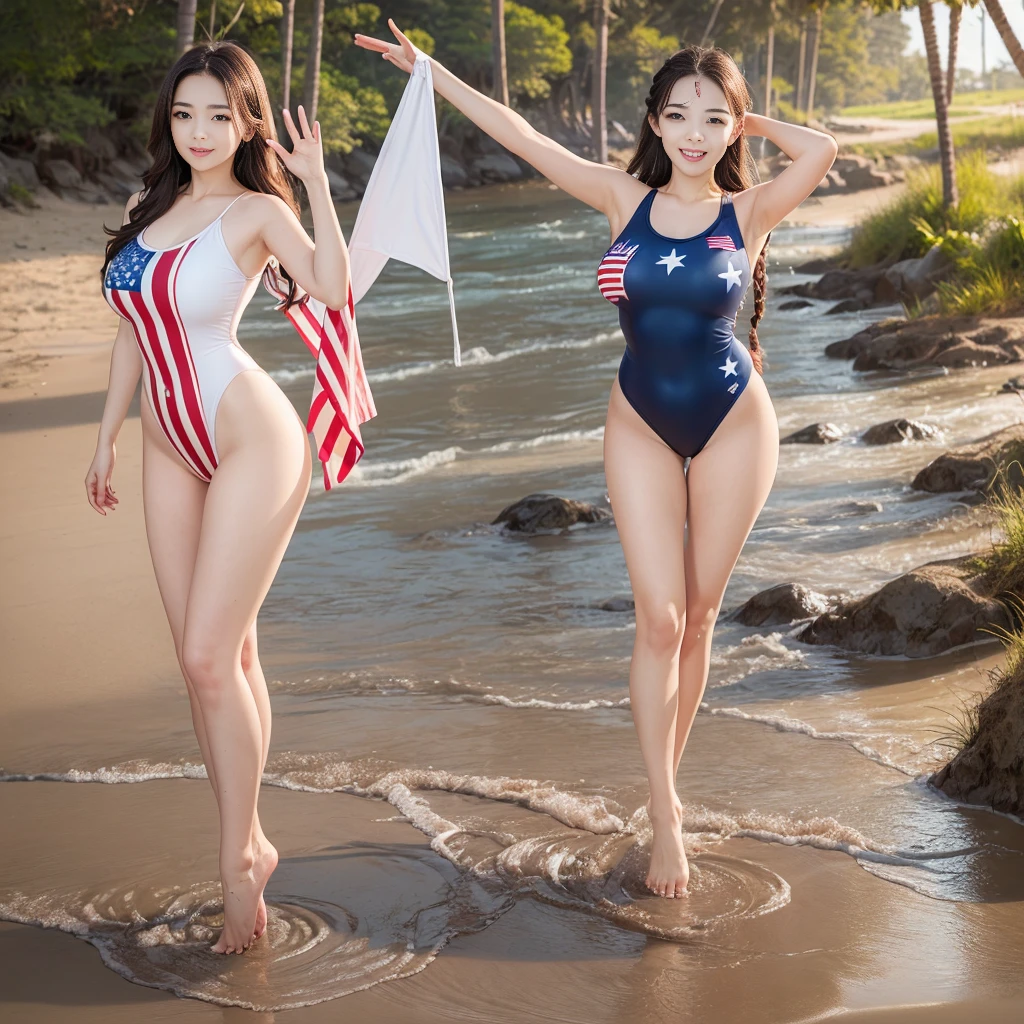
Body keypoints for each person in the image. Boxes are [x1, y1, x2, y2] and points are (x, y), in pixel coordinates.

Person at [356, 21, 838, 899]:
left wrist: (751, 121)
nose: (695, 133)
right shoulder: (622, 199)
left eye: (713, 119)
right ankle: (666, 814)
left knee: (698, 619)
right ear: (653, 122)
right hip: (638, 421)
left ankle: (666, 794)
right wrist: (431, 72)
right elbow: (525, 136)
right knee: (656, 619)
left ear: (730, 128)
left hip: (735, 422)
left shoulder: (750, 211)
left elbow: (825, 147)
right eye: (679, 115)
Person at [85, 42, 369, 953]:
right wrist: (107, 438)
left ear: (247, 123)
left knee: (212, 658)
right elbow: (134, 329)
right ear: (168, 122)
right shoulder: (146, 208)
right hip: (167, 446)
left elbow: (334, 287)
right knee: (213, 658)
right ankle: (250, 840)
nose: (200, 132)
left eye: (219, 115)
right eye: (183, 115)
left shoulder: (256, 211)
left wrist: (317, 183)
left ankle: (240, 857)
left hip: (250, 437)